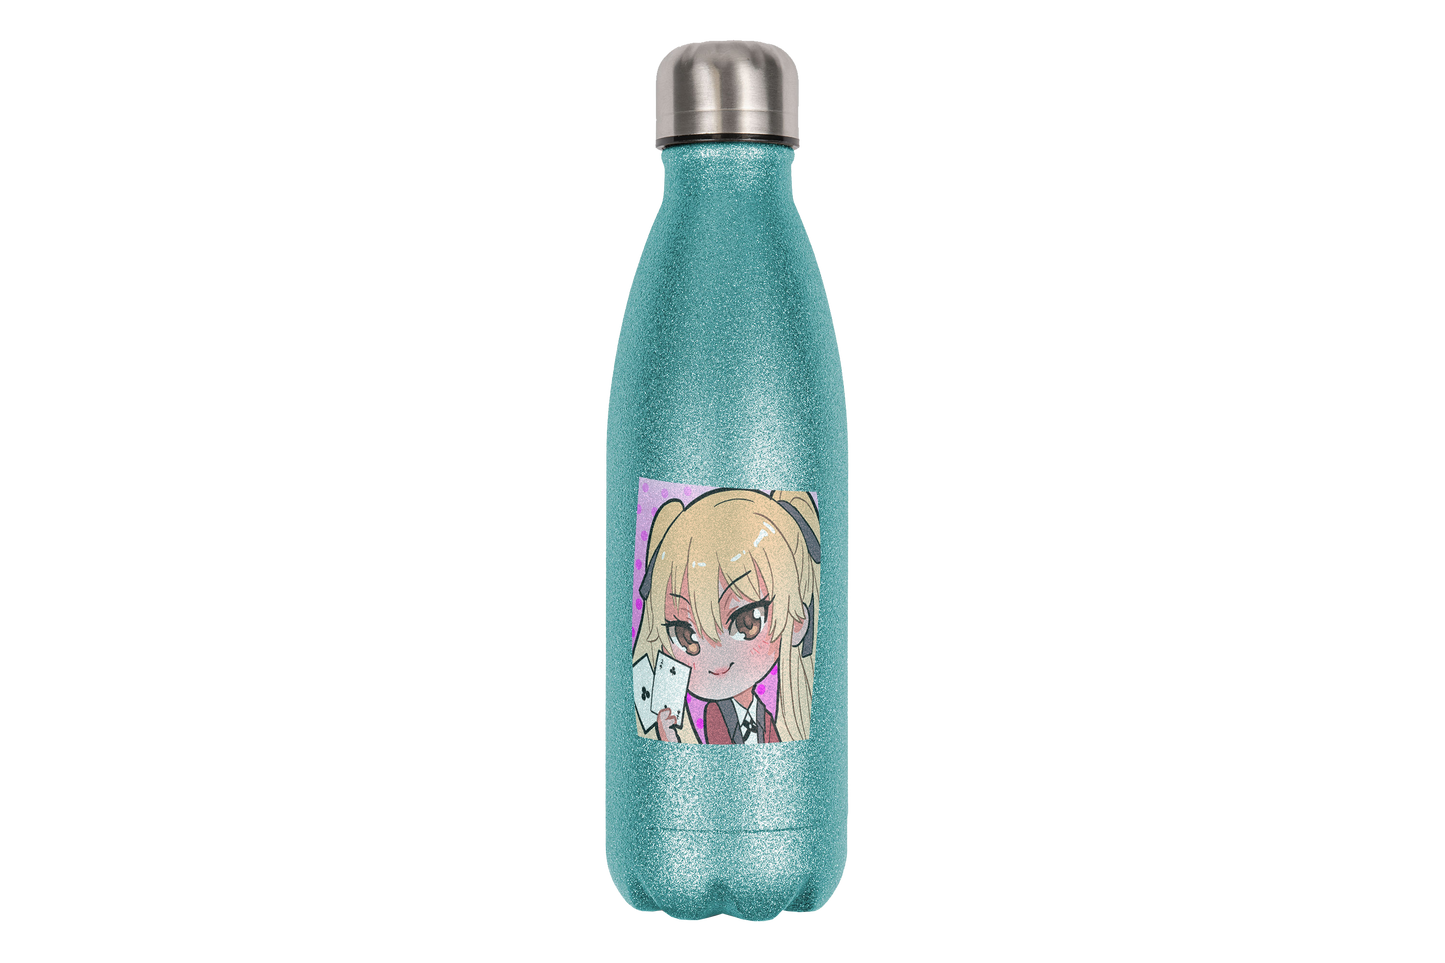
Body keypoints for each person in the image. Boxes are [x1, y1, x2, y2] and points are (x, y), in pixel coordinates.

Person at [632, 487, 820, 744]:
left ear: (797, 622)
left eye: (746, 622)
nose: (717, 656)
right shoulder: (716, 713)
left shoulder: (764, 716)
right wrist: (668, 735)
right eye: (687, 636)